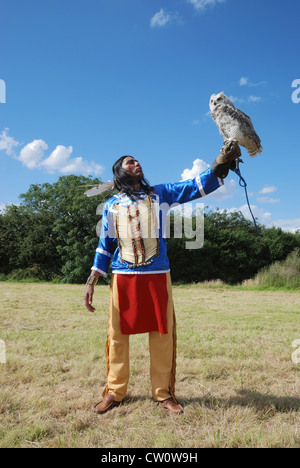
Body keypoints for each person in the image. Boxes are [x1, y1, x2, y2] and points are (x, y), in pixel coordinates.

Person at [84, 141, 241, 415]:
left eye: (137, 161)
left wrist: (219, 165)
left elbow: (192, 186)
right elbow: (105, 244)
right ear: (120, 172)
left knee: (162, 334)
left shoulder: (160, 194)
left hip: (157, 275)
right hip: (123, 277)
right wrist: (92, 280)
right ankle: (114, 391)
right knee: (118, 335)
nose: (136, 164)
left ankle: (163, 393)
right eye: (129, 162)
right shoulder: (111, 205)